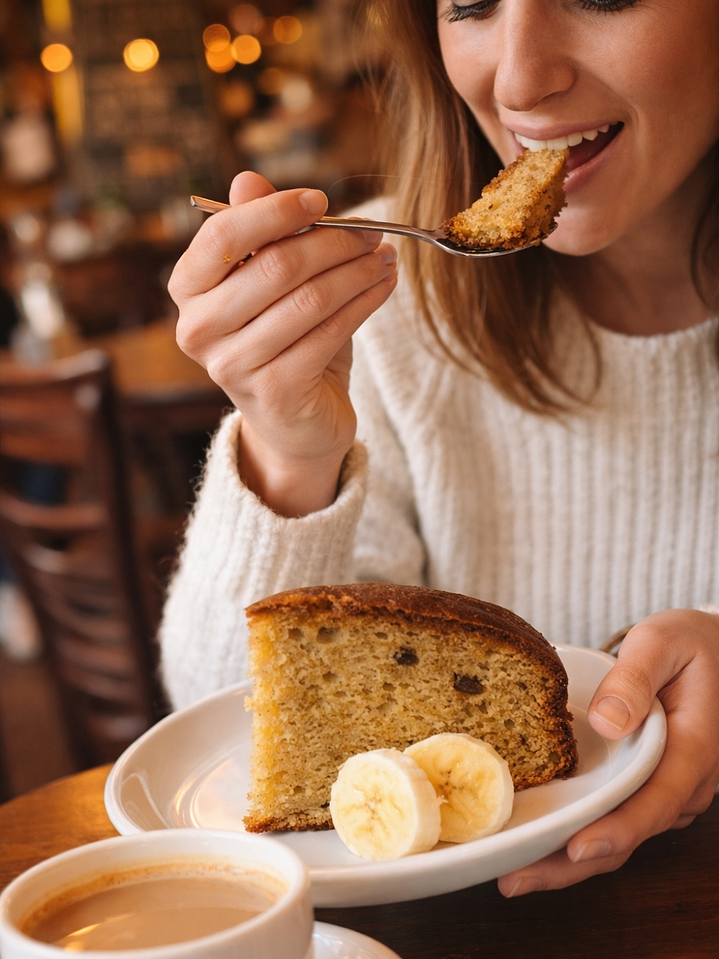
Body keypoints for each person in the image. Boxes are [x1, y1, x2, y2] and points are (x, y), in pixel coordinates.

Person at [161, 0, 719, 897]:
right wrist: (288, 451)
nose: (516, 80)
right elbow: (236, 749)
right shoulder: (378, 297)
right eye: (468, 5)